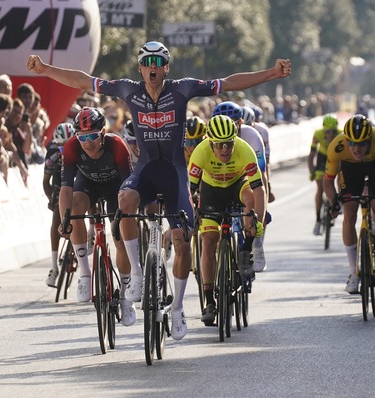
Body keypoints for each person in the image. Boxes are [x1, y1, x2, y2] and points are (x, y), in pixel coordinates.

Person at [27, 40, 291, 340]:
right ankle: (137, 275)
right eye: (147, 63)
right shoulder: (128, 90)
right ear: (140, 68)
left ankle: (178, 308)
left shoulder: (183, 88)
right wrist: (45, 69)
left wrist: (272, 73)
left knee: (181, 243)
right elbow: (83, 80)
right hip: (146, 172)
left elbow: (228, 82)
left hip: (175, 174)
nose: (152, 68)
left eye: (158, 63)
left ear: (166, 67)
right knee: (124, 200)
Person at [57, 107, 136, 327]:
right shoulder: (72, 148)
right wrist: (66, 220)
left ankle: (126, 297)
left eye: (92, 136)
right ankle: (84, 272)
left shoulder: (117, 146)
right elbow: (65, 189)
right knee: (74, 207)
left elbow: (128, 187)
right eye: (82, 137)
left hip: (115, 188)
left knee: (119, 237)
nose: (87, 142)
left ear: (102, 133)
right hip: (87, 185)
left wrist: (122, 217)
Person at [188, 114, 265, 325]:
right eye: (219, 145)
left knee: (250, 202)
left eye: (229, 144)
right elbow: (190, 191)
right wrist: (191, 215)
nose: (225, 149)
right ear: (210, 142)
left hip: (237, 185)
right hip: (211, 190)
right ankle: (210, 299)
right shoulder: (201, 151)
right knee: (209, 240)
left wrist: (257, 219)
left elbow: (259, 188)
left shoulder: (244, 150)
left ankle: (246, 249)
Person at [212, 101, 268, 272]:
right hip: (221, 179)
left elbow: (261, 172)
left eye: (233, 122)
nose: (228, 125)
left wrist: (262, 203)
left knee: (253, 205)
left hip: (245, 176)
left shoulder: (251, 136)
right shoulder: (209, 138)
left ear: (240, 123)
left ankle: (256, 245)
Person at [324, 114, 375, 294]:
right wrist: (333, 203)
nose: (356, 148)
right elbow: (328, 181)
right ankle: (354, 273)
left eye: (361, 144)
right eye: (352, 143)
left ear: (369, 140)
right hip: (350, 170)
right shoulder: (337, 147)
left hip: (373, 165)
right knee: (349, 214)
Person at [43, 122, 76, 287]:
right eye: (62, 146)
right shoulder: (53, 153)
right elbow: (45, 182)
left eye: (68, 145)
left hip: (78, 183)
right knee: (57, 216)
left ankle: (89, 236)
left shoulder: (82, 148)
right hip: (59, 184)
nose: (65, 149)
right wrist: (52, 199)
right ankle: (54, 267)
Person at [309, 113, 341, 235]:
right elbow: (311, 155)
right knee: (321, 188)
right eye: (328, 132)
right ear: (324, 129)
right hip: (323, 159)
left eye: (333, 131)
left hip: (336, 158)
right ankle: (318, 220)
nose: (331, 135)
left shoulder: (342, 134)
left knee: (340, 178)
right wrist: (312, 171)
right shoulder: (317, 134)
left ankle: (338, 201)